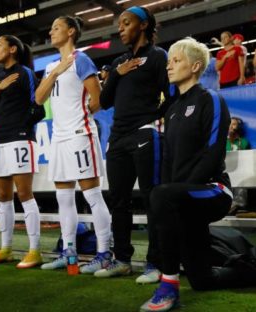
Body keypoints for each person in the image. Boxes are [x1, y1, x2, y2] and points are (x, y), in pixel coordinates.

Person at [140, 37, 256, 312]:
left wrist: (174, 194)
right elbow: (168, 160)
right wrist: (174, 195)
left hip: (213, 190)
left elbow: (214, 152)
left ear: (196, 66)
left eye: (176, 61)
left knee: (160, 194)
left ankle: (168, 285)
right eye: (169, 61)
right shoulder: (173, 108)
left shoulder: (210, 99)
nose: (169, 66)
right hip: (182, 197)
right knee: (203, 280)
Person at [95, 6, 173, 283]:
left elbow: (170, 95)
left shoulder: (158, 56)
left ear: (142, 25)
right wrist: (117, 72)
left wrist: (152, 118)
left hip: (144, 134)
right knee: (118, 201)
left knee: (152, 199)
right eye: (120, 24)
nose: (120, 28)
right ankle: (123, 260)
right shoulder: (119, 61)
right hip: (117, 138)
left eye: (126, 23)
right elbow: (103, 102)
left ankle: (155, 263)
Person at [35, 16, 112, 274]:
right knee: (63, 197)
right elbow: (38, 98)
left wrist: (82, 118)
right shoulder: (51, 67)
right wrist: (56, 71)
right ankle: (69, 254)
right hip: (58, 138)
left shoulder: (82, 60)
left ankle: (104, 254)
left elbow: (98, 98)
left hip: (80, 135)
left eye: (56, 27)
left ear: (70, 32)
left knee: (92, 195)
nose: (51, 31)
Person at [0, 35, 44, 268]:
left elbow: (37, 109)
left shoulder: (26, 73)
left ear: (12, 49)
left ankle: (35, 251)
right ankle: (6, 249)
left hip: (19, 140)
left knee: (25, 195)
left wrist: (21, 127)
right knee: (2, 197)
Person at [226, 117, 250, 214]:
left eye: (234, 124)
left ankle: (237, 207)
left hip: (240, 173)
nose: (232, 126)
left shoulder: (243, 142)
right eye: (230, 123)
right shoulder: (221, 140)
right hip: (225, 172)